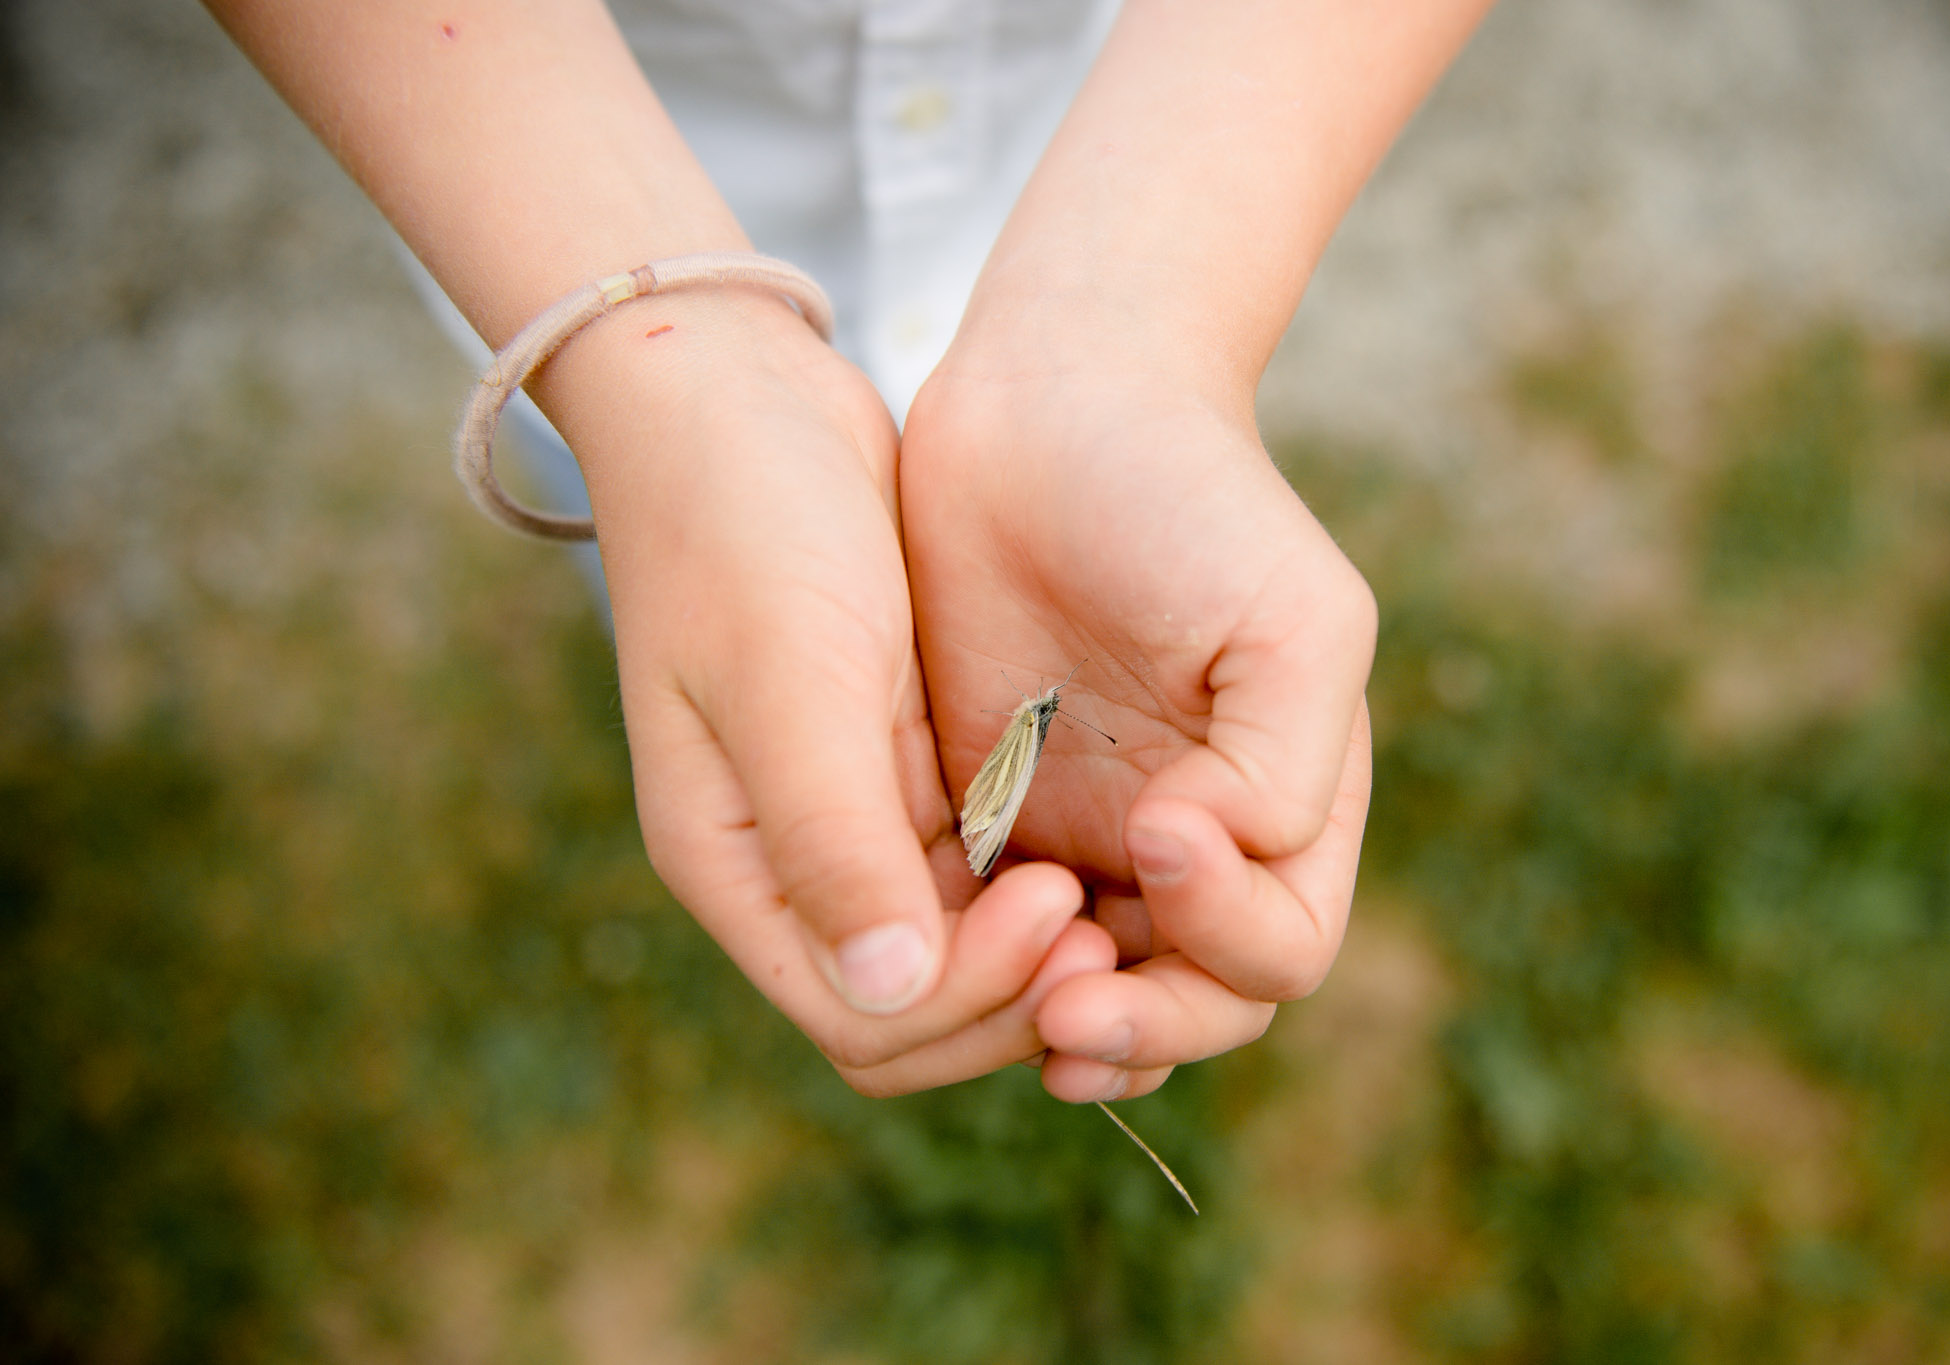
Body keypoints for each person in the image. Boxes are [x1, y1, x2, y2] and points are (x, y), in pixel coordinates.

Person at [201, 0, 1492, 1104]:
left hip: (1107, 157)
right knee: (703, 588)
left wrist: (1137, 316)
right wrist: (667, 398)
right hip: (567, 224)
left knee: (798, 638)